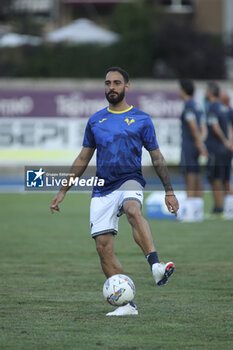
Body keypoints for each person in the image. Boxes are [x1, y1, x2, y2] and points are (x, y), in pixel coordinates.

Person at [50, 67, 179, 316]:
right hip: (102, 188)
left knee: (132, 209)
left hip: (130, 180)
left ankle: (155, 266)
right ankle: (127, 305)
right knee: (103, 248)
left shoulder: (142, 119)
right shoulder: (95, 120)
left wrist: (169, 191)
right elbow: (83, 158)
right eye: (108, 83)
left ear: (127, 87)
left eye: (117, 83)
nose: (112, 87)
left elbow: (157, 156)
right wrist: (63, 190)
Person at [178, 79, 208, 222]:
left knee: (189, 176)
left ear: (183, 90)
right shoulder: (197, 106)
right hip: (196, 145)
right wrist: (201, 142)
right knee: (196, 175)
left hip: (190, 146)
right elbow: (203, 127)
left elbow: (193, 125)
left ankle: (190, 213)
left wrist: (197, 143)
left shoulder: (188, 105)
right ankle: (198, 212)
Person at [205, 82, 233, 216]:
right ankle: (228, 208)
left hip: (215, 148)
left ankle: (218, 208)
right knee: (225, 179)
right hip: (226, 150)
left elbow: (215, 126)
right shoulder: (224, 108)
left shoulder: (212, 108)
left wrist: (224, 140)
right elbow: (229, 127)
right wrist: (229, 142)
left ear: (210, 92)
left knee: (215, 178)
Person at [220, 92, 233, 218]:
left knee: (226, 179)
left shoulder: (227, 112)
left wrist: (228, 142)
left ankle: (229, 209)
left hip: (228, 148)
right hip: (227, 148)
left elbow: (229, 129)